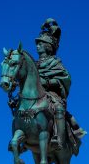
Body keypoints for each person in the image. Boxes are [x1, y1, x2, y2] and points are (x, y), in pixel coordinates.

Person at [34, 19, 85, 151]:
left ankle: (59, 139)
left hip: (52, 95)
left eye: (40, 44)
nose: (37, 46)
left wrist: (48, 82)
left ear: (47, 46)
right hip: (36, 95)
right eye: (37, 44)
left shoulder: (55, 63)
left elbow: (65, 79)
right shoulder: (33, 64)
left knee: (59, 109)